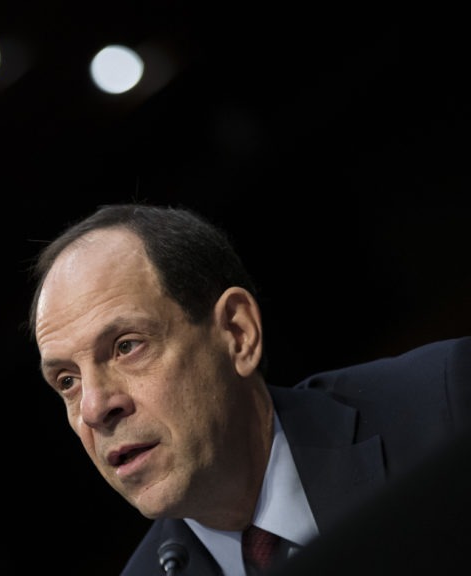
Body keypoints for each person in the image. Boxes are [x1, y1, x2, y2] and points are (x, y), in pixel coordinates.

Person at [26, 202, 470, 576]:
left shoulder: (446, 405)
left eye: (127, 347)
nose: (94, 407)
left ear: (238, 334)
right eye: (67, 381)